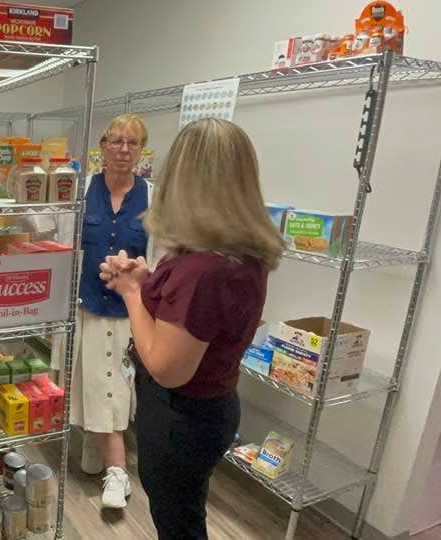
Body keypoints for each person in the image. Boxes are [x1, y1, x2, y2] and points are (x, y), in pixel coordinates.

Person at [99, 118, 284, 539]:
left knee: (178, 522)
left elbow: (167, 366)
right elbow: (195, 319)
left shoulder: (205, 268)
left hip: (180, 418)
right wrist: (149, 283)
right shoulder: (235, 251)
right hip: (210, 409)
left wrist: (130, 292)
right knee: (183, 509)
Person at [70, 114, 149, 509]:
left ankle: (116, 471)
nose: (123, 149)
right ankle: (92, 440)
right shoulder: (83, 188)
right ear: (102, 145)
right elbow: (58, 232)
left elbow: (161, 255)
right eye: (116, 141)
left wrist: (137, 270)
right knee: (88, 379)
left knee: (115, 384)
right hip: (84, 303)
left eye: (132, 143)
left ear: (140, 150)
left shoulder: (153, 195)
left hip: (128, 310)